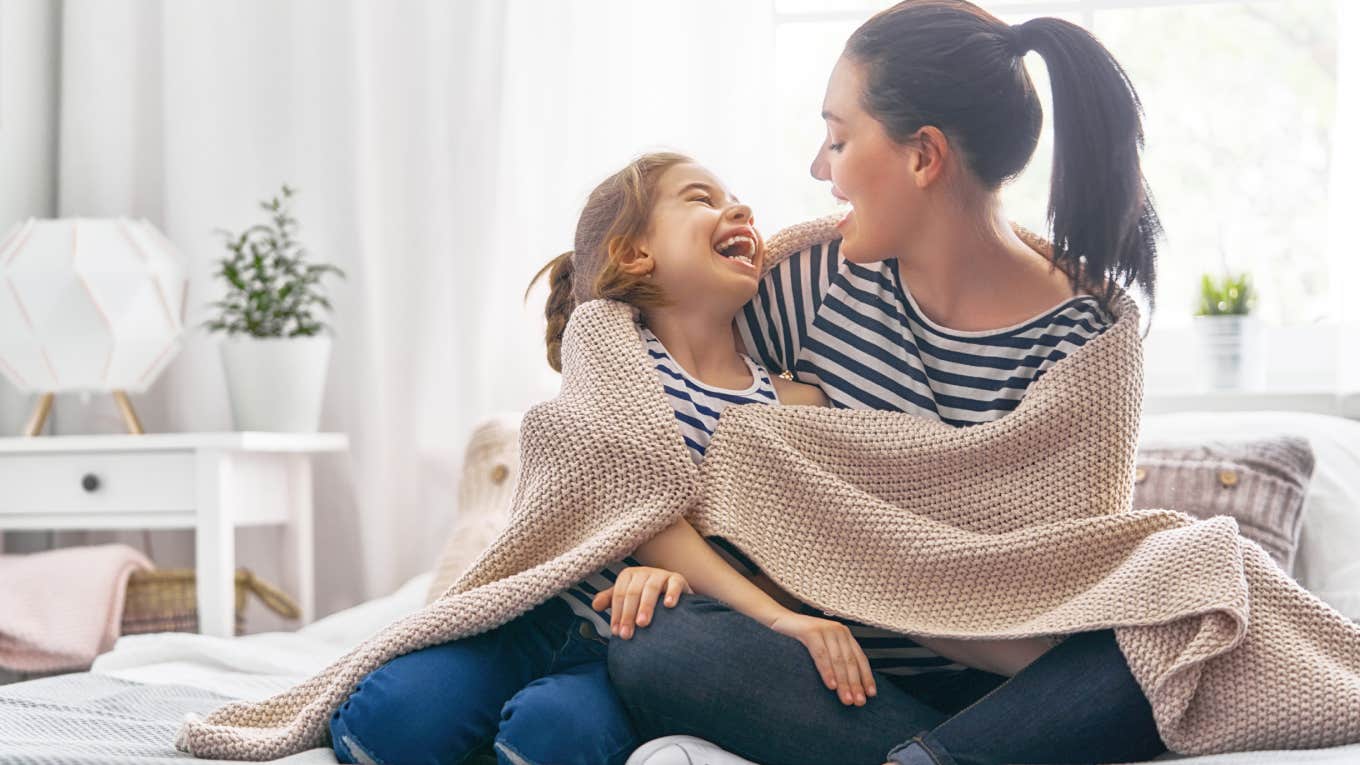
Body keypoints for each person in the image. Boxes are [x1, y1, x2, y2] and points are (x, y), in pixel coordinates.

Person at [606, 3, 1168, 764]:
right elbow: (655, 410)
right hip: (833, 678)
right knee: (657, 644)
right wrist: (657, 556)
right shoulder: (809, 284)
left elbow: (1062, 596)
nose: (818, 168)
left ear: (923, 157)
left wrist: (891, 576)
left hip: (1011, 692)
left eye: (838, 139)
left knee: (1168, 636)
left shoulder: (1086, 345)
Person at [329, 151, 886, 765]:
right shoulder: (607, 344)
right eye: (701, 198)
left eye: (734, 198)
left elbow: (801, 545)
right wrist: (779, 621)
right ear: (634, 254)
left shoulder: (794, 404)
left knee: (550, 738)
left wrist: (708, 603)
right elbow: (634, 497)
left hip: (629, 650)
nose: (740, 210)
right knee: (387, 725)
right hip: (534, 619)